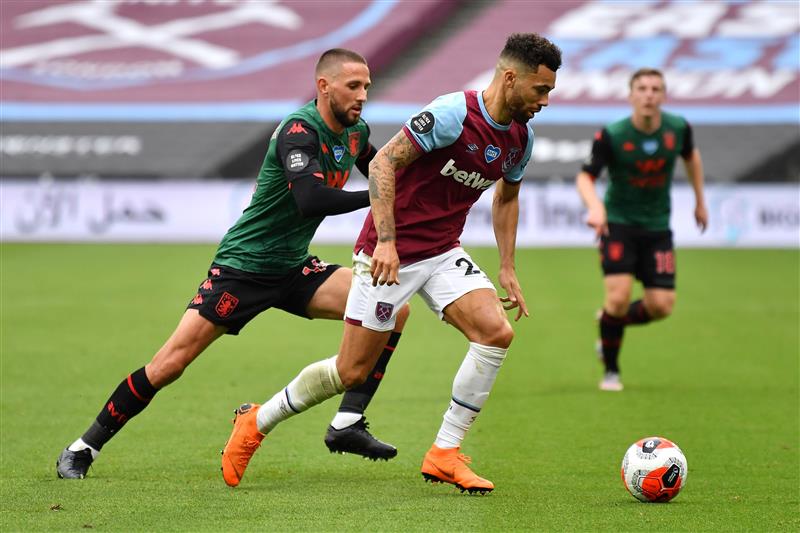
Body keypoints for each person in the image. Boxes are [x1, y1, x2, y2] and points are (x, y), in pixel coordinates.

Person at [220, 33, 562, 494]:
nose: (545, 100)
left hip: (442, 251)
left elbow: (507, 197)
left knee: (496, 332)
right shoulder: (451, 114)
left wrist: (507, 267)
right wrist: (386, 241)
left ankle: (444, 453)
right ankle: (255, 422)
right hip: (389, 253)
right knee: (351, 371)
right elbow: (382, 163)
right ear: (509, 78)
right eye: (540, 90)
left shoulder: (522, 137)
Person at [55, 48, 411, 479]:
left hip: (294, 268)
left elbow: (383, 172)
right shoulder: (299, 131)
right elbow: (310, 199)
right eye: (353, 86)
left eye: (367, 87)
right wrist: (378, 197)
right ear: (324, 87)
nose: (363, 96)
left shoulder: (355, 133)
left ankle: (347, 423)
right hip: (243, 268)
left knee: (392, 309)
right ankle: (83, 447)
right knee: (169, 364)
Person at [575, 67, 708, 392]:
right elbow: (585, 177)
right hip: (618, 224)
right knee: (618, 299)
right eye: (643, 88)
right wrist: (596, 207)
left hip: (657, 226)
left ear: (663, 95)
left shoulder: (678, 128)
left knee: (662, 306)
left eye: (655, 89)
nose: (649, 94)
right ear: (631, 94)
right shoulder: (613, 134)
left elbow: (691, 157)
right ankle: (611, 370)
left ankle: (609, 323)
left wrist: (699, 200)